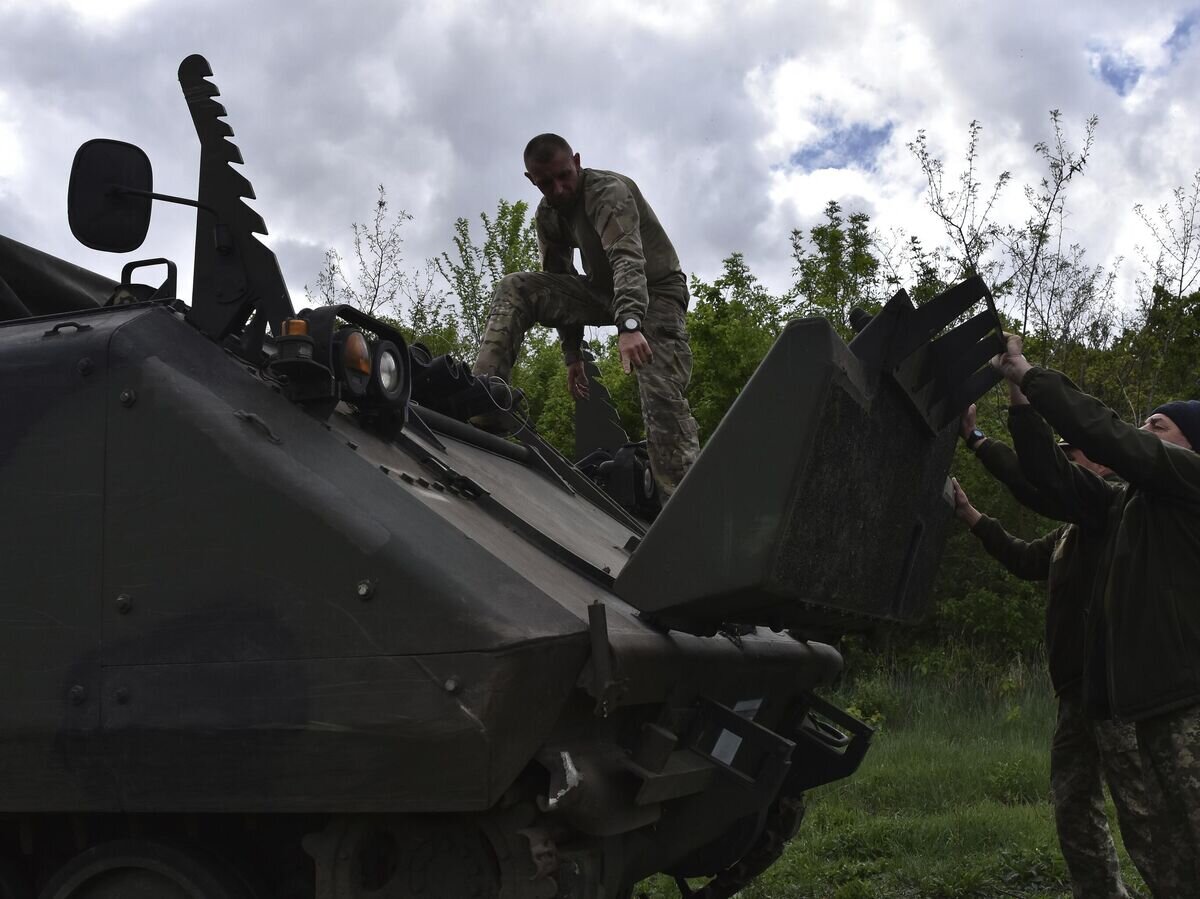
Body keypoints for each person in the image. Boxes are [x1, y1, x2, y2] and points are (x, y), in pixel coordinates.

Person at [993, 334, 1200, 895]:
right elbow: (1051, 479)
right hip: (1147, 705)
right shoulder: (1129, 505)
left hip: (1187, 704)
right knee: (1174, 860)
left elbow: (1106, 435)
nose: (1142, 433)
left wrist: (1032, 373)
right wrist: (1018, 402)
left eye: (1158, 426)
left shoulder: (1190, 481)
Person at [955, 396, 1161, 899]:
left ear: (1103, 462)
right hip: (1075, 694)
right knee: (1073, 805)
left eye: (1074, 451)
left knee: (1143, 814)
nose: (1067, 458)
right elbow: (1027, 560)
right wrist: (972, 516)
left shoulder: (1112, 510)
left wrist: (980, 439)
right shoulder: (1072, 532)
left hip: (1115, 695)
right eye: (1064, 451)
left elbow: (1036, 478)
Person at [472, 133, 700, 498]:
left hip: (656, 294)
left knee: (659, 392)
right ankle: (484, 401)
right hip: (601, 292)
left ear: (577, 162)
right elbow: (559, 283)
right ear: (531, 180)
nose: (559, 188)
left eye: (565, 175)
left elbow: (627, 258)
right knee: (518, 286)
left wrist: (629, 325)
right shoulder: (548, 215)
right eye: (546, 183)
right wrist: (572, 354)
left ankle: (682, 500)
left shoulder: (607, 192)